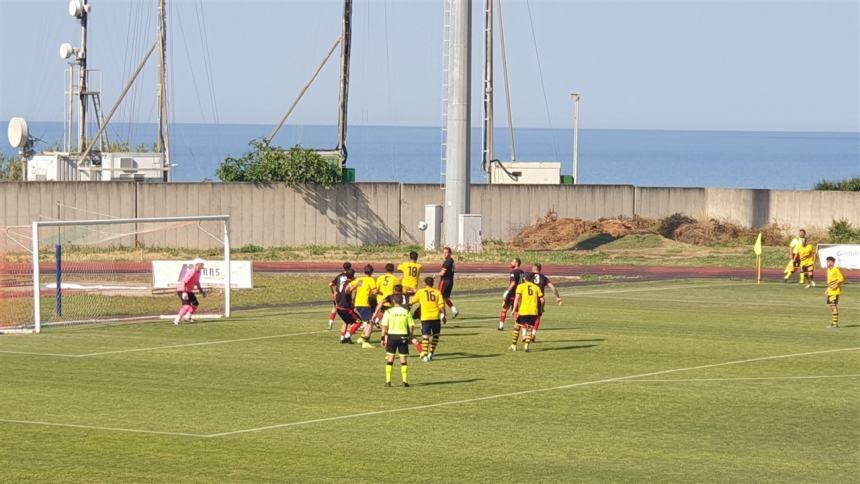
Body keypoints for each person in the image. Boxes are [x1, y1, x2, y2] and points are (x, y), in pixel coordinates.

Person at [380, 292, 417, 387]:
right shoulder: (406, 312)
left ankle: (388, 381)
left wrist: (383, 338)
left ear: (393, 301)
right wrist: (411, 335)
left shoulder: (388, 312)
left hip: (392, 336)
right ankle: (405, 381)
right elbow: (412, 325)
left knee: (390, 359)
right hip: (403, 336)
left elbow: (384, 326)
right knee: (403, 360)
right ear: (401, 301)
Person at [411, 276, 446, 362]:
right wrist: (444, 315)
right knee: (436, 336)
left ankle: (425, 355)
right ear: (432, 283)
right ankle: (431, 353)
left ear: (425, 283)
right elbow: (441, 305)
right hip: (435, 317)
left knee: (425, 337)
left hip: (425, 317)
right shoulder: (437, 292)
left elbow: (412, 301)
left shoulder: (421, 292)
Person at [509, 272, 544, 353]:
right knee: (530, 329)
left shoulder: (520, 286)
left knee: (517, 327)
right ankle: (526, 346)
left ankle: (514, 345)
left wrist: (514, 310)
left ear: (525, 278)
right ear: (532, 279)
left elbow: (517, 298)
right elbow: (542, 300)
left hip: (523, 311)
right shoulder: (536, 287)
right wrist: (541, 309)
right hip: (533, 311)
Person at [530, 263, 563, 341]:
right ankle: (533, 334)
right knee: (538, 317)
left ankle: (525, 335)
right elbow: (553, 288)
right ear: (540, 269)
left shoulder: (529, 276)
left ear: (534, 268)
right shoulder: (544, 278)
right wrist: (558, 297)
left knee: (527, 317)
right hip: (539, 299)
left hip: (529, 299)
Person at [348, 265, 377, 347]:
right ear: (372, 272)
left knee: (368, 321)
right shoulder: (371, 279)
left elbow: (350, 285)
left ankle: (362, 337)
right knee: (371, 322)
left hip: (357, 303)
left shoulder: (360, 279)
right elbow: (374, 291)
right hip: (365, 303)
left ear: (364, 271)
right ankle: (365, 341)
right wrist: (379, 292)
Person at [174, 257, 206, 325]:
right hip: (182, 290)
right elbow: (183, 282)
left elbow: (197, 282)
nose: (202, 265)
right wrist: (184, 292)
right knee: (187, 306)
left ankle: (187, 317)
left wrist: (201, 291)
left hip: (189, 291)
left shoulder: (199, 272)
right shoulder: (192, 271)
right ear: (197, 264)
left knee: (195, 304)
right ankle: (177, 320)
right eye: (201, 264)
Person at [335, 269, 361, 344]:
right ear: (353, 276)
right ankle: (346, 337)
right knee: (358, 322)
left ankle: (342, 338)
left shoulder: (342, 282)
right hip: (345, 308)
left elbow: (336, 293)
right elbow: (347, 291)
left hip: (339, 307)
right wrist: (355, 286)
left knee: (346, 322)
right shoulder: (349, 284)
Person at [498, 258, 525, 331]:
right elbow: (523, 282)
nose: (511, 263)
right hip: (519, 294)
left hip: (512, 293)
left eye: (512, 262)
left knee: (504, 308)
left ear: (516, 263)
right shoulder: (522, 272)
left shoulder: (513, 272)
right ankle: (516, 326)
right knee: (516, 311)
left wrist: (507, 291)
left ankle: (501, 326)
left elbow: (513, 283)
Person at [327, 262, 352, 329]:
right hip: (345, 296)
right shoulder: (350, 276)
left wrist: (332, 292)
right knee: (349, 309)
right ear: (350, 268)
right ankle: (351, 325)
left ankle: (330, 323)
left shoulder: (339, 276)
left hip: (337, 295)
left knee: (335, 307)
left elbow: (330, 284)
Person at [438, 246, 459, 318]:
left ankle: (443, 314)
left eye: (446, 252)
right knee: (445, 297)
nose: (445, 254)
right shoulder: (452, 261)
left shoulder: (447, 262)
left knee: (439, 297)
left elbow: (442, 273)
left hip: (444, 281)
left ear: (450, 253)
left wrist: (435, 274)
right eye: (444, 253)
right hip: (450, 281)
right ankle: (454, 310)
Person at [825, 256, 845, 328]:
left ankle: (835, 324)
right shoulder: (828, 270)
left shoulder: (836, 269)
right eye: (827, 261)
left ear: (832, 262)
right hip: (830, 291)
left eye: (829, 261)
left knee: (833, 306)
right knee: (831, 306)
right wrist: (827, 289)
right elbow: (829, 281)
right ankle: (834, 323)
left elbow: (841, 279)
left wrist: (836, 285)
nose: (827, 263)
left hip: (835, 291)